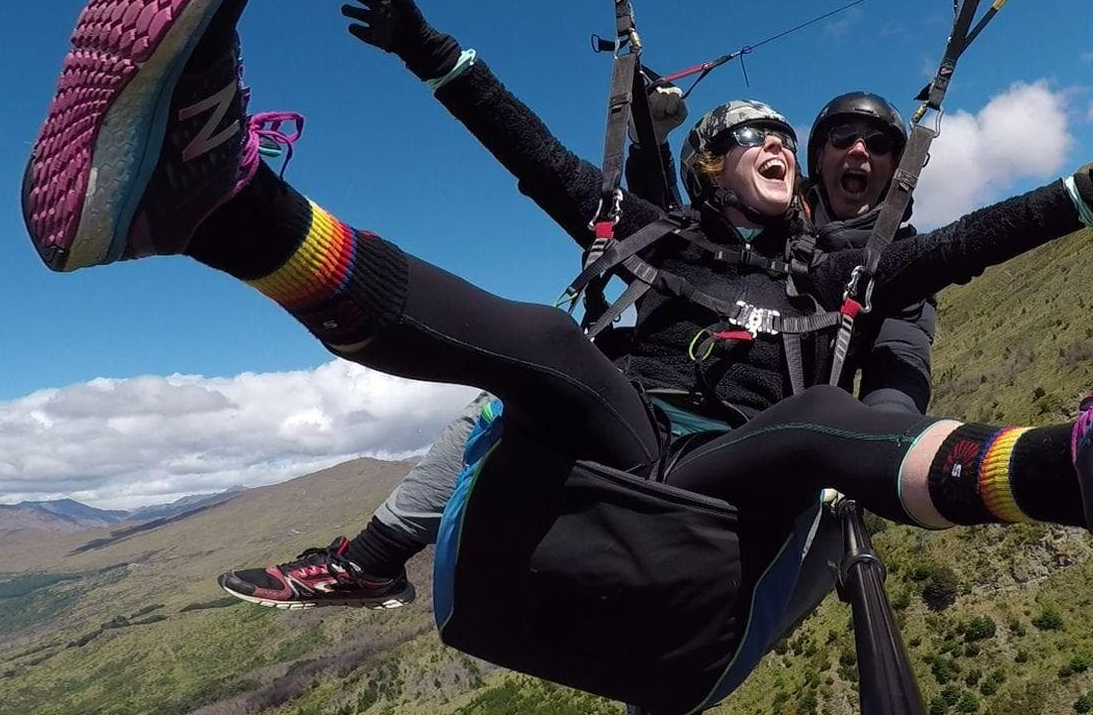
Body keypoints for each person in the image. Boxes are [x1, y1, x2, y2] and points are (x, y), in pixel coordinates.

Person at [22, 0, 1093, 709]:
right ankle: (209, 198)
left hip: (721, 528)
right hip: (581, 480)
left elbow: (963, 254)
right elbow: (533, 153)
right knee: (549, 348)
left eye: (781, 140)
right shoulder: (647, 239)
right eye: (745, 139)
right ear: (705, 170)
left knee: (816, 425)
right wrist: (437, 51)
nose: (772, 145)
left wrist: (1090, 193)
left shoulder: (848, 280)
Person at [217, 85, 934, 610]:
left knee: (809, 423)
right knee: (518, 376)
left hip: (752, 458)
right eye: (842, 138)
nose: (860, 153)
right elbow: (668, 229)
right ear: (817, 164)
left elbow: (900, 355)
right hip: (635, 424)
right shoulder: (733, 237)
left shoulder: (869, 265)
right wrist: (442, 60)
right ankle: (242, 214)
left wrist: (872, 444)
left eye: (878, 147)